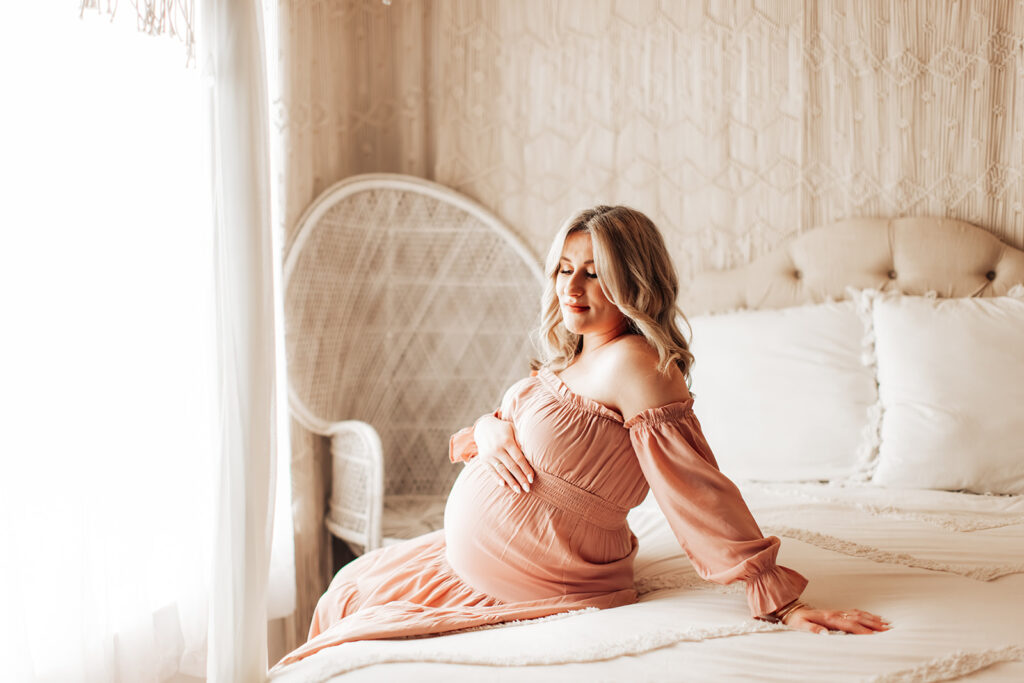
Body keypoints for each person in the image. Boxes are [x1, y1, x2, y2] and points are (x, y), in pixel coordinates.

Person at [274, 205, 891, 668]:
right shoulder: (575, 356)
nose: (571, 289)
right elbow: (512, 433)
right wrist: (490, 432)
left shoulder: (637, 364)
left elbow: (695, 487)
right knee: (349, 587)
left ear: (633, 282)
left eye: (594, 275)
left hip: (536, 574)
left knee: (353, 613)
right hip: (476, 557)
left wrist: (777, 597)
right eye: (564, 270)